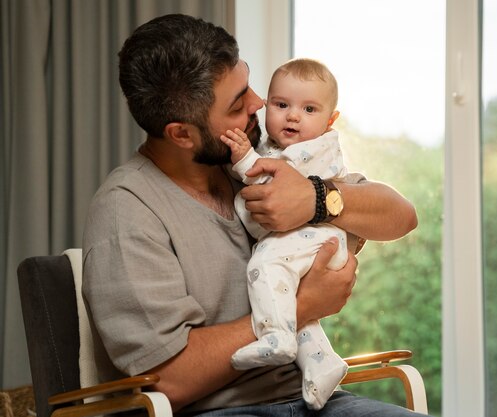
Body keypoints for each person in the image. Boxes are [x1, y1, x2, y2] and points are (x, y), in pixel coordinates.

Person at [82, 13, 421, 417]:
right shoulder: (127, 211)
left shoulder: (255, 162)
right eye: (238, 102)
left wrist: (317, 198)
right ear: (182, 134)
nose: (259, 102)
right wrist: (300, 305)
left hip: (315, 400)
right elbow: (168, 378)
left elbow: (401, 216)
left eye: (248, 83)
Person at [220, 58, 363, 410]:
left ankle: (276, 336)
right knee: (296, 308)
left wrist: (242, 158)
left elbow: (272, 181)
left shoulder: (313, 149)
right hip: (304, 243)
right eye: (282, 105)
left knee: (263, 268)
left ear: (331, 121)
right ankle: (323, 364)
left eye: (309, 109)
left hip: (313, 241)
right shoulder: (278, 145)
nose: (293, 116)